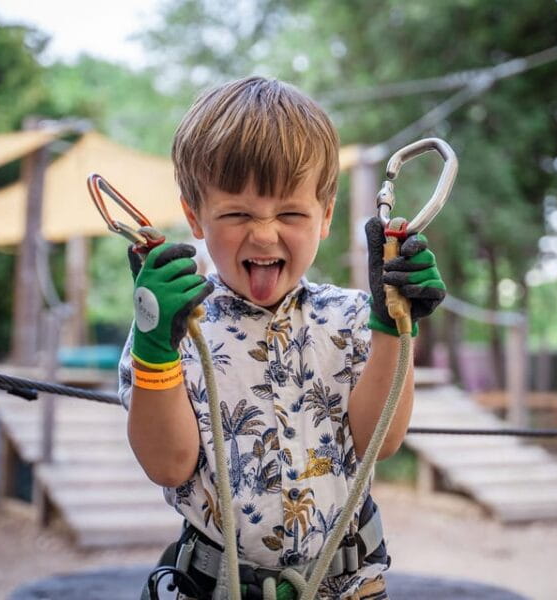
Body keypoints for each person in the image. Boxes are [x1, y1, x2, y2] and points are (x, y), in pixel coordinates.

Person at [118, 76, 445, 599]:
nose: (265, 234)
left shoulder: (352, 318)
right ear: (194, 216)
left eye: (291, 213)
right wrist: (156, 350)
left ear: (325, 216)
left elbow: (379, 442)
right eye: (237, 214)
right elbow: (168, 464)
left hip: (347, 586)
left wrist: (392, 328)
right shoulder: (175, 329)